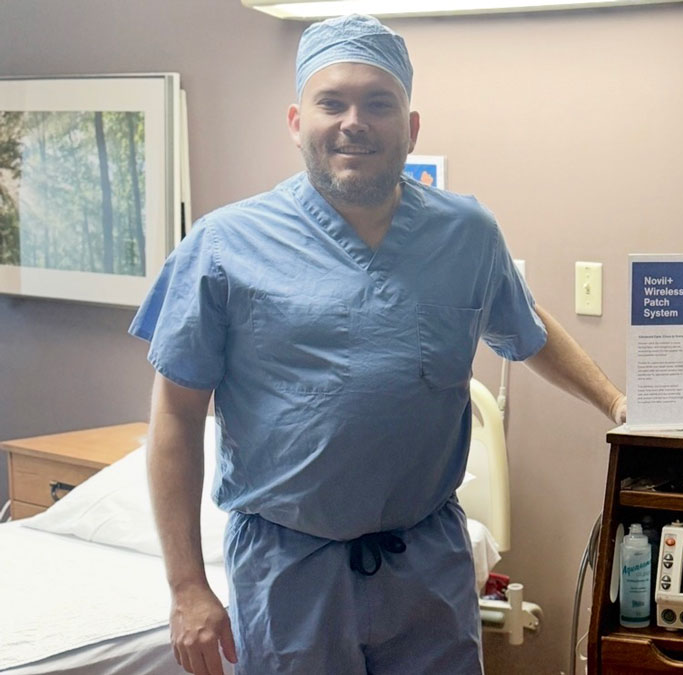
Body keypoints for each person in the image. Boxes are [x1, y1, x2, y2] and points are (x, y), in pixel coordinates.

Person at [129, 14, 626, 675]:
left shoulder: (467, 234)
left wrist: (617, 401)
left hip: (427, 569)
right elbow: (176, 416)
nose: (352, 122)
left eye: (378, 103)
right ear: (295, 121)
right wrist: (187, 587)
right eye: (331, 102)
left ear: (411, 126)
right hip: (290, 576)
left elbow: (526, 329)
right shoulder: (223, 248)